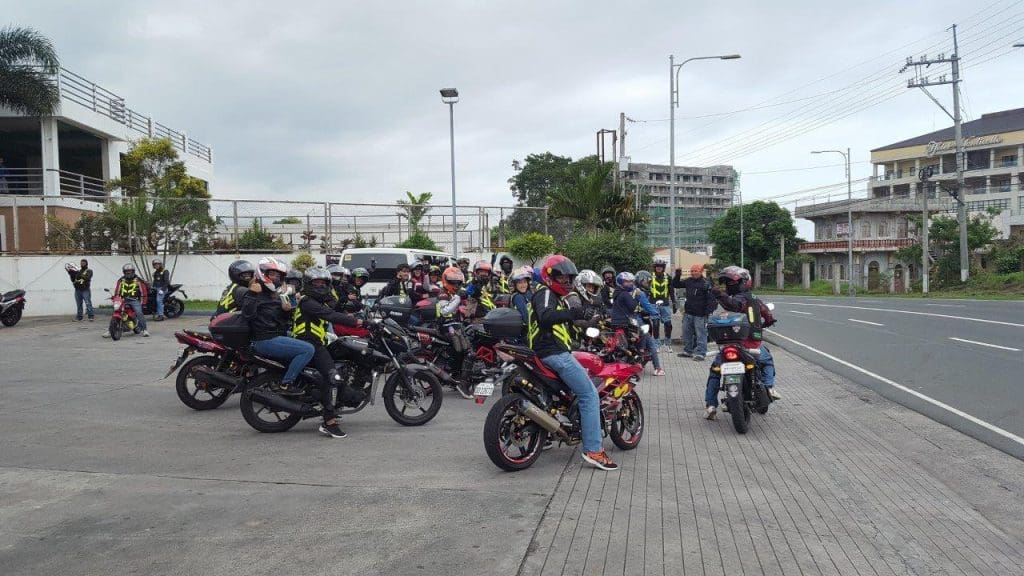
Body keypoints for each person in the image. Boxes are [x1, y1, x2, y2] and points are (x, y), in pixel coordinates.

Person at [529, 255, 618, 471]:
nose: (566, 281)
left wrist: (584, 321)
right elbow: (546, 316)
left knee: (567, 395)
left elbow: (562, 322)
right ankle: (594, 450)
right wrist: (572, 312)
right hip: (554, 353)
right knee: (589, 394)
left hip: (547, 352)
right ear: (550, 276)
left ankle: (549, 432)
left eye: (569, 278)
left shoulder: (553, 296)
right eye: (562, 277)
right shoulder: (546, 293)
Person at [292, 266, 363, 438]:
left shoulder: (318, 300)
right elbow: (330, 315)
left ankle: (336, 402)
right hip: (309, 344)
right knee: (332, 377)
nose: (320, 285)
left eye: (323, 282)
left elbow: (336, 308)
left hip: (318, 342)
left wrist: (358, 311)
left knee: (342, 362)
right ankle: (328, 421)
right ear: (308, 284)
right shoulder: (308, 301)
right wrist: (357, 322)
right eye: (316, 282)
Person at [703, 265, 780, 420]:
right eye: (728, 283)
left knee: (715, 372)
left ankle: (711, 405)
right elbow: (766, 313)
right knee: (768, 360)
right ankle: (769, 387)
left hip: (728, 345)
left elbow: (731, 304)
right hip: (751, 345)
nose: (729, 285)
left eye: (731, 283)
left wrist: (718, 294)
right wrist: (769, 320)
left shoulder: (727, 299)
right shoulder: (750, 299)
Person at [242, 257, 314, 396]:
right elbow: (247, 315)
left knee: (307, 340)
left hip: (274, 334)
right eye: (272, 274)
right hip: (264, 339)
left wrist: (286, 311)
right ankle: (286, 384)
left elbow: (278, 319)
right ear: (263, 273)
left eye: (278, 275)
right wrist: (251, 294)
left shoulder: (272, 294)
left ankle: (297, 377)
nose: (276, 278)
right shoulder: (256, 292)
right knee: (307, 350)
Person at [609, 272, 664, 376]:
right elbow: (642, 306)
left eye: (631, 281)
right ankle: (657, 367)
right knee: (649, 340)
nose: (630, 283)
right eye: (627, 281)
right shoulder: (635, 293)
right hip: (631, 321)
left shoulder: (616, 292)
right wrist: (656, 313)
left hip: (616, 322)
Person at [674, 264, 716, 361]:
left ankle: (701, 353)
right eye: (692, 271)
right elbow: (676, 284)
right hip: (688, 313)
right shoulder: (688, 281)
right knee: (686, 333)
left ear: (700, 271)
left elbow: (712, 299)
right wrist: (678, 273)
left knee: (701, 334)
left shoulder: (706, 283)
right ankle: (688, 351)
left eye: (695, 271)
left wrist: (708, 311)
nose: (693, 273)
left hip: (700, 314)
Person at [114, 263, 149, 337]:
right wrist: (116, 298)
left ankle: (144, 330)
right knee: (116, 311)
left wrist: (144, 303)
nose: (128, 273)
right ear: (124, 272)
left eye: (130, 271)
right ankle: (110, 330)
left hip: (134, 300)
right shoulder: (121, 280)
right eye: (126, 271)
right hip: (122, 299)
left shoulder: (139, 280)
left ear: (133, 271)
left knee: (139, 313)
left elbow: (143, 292)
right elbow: (117, 290)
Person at [649, 259, 675, 351]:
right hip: (653, 303)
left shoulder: (667, 277)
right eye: (657, 267)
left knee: (668, 324)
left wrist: (674, 302)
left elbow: (671, 291)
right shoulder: (650, 277)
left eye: (661, 267)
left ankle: (667, 344)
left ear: (663, 268)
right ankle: (657, 345)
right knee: (655, 324)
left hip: (665, 304)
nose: (659, 268)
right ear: (655, 268)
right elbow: (645, 289)